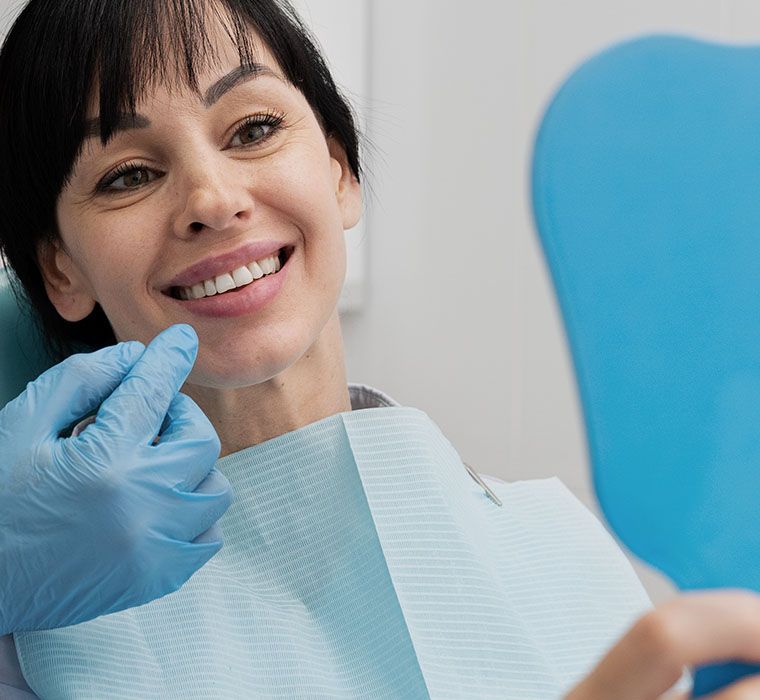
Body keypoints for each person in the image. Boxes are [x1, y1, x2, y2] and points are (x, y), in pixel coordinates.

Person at [0, 0, 757, 697]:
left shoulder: (558, 548)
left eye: (254, 129)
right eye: (129, 174)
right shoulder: (33, 617)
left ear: (338, 172)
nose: (212, 199)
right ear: (60, 268)